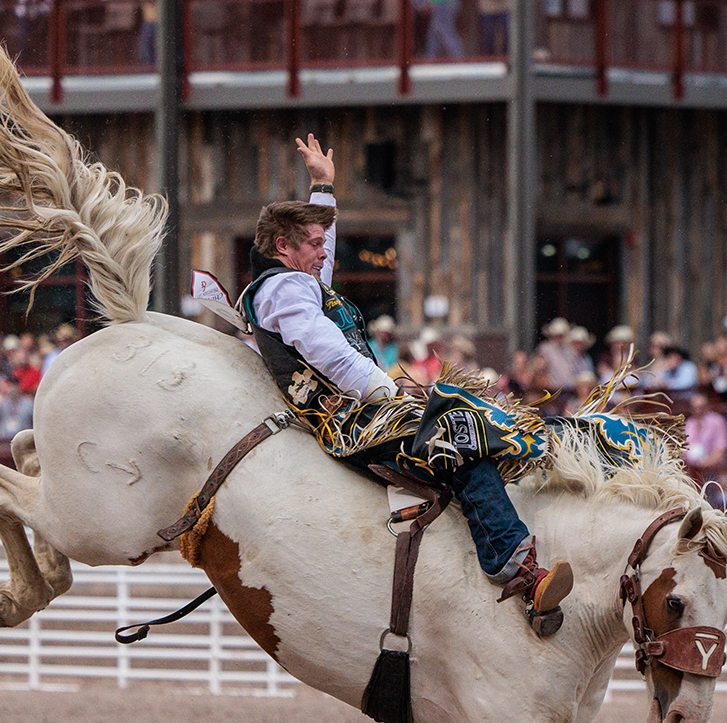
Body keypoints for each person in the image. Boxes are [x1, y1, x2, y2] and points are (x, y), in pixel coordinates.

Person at [237, 134, 571, 636]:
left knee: (474, 422)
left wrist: (323, 187)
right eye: (311, 242)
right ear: (282, 247)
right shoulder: (283, 289)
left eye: (321, 241)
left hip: (359, 411)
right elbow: (322, 346)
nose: (322, 249)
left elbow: (319, 271)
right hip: (348, 422)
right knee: (459, 438)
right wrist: (381, 387)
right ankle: (515, 568)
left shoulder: (295, 282)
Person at [682, 392, 727, 484]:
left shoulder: (717, 421)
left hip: (714, 472)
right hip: (692, 472)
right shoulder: (688, 424)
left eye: (700, 407)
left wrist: (705, 464)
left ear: (707, 406)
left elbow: (721, 449)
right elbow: (683, 448)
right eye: (695, 407)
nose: (698, 410)